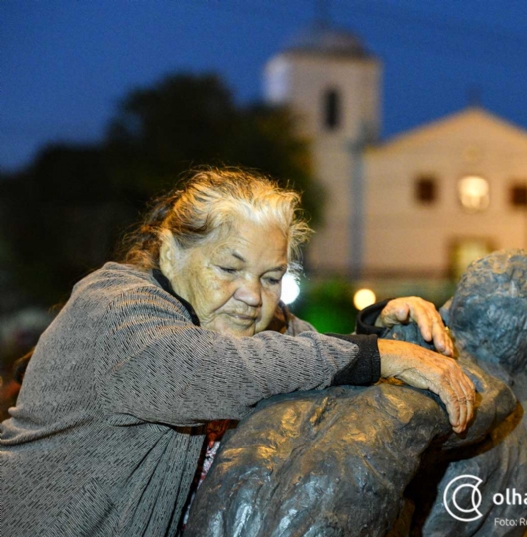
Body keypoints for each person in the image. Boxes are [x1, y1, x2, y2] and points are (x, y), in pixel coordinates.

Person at [0, 167, 475, 537]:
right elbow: (206, 370)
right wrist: (379, 356)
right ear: (170, 254)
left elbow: (307, 356)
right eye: (229, 267)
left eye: (271, 278)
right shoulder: (115, 305)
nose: (252, 295)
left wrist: (382, 328)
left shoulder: (241, 321)